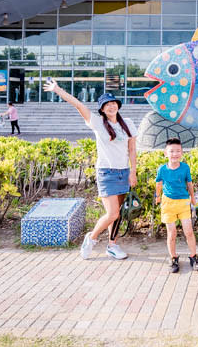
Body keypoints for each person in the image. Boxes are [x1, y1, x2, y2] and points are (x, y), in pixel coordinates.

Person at [44, 80, 134, 261]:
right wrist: (57, 90)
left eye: (113, 103)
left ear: (118, 105)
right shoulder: (97, 123)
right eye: (107, 105)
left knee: (117, 215)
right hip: (106, 173)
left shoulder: (128, 123)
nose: (111, 106)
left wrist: (133, 172)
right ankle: (91, 239)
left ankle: (112, 245)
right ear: (102, 109)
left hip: (123, 172)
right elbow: (78, 104)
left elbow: (132, 149)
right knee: (112, 213)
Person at [155, 137, 198, 273]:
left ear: (181, 152)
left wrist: (193, 197)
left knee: (188, 231)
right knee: (172, 233)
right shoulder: (162, 169)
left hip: (183, 203)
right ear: (166, 153)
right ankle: (173, 258)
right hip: (168, 204)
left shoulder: (185, 168)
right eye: (171, 151)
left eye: (178, 151)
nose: (175, 154)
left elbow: (189, 184)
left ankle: (194, 256)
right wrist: (157, 196)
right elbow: (158, 184)